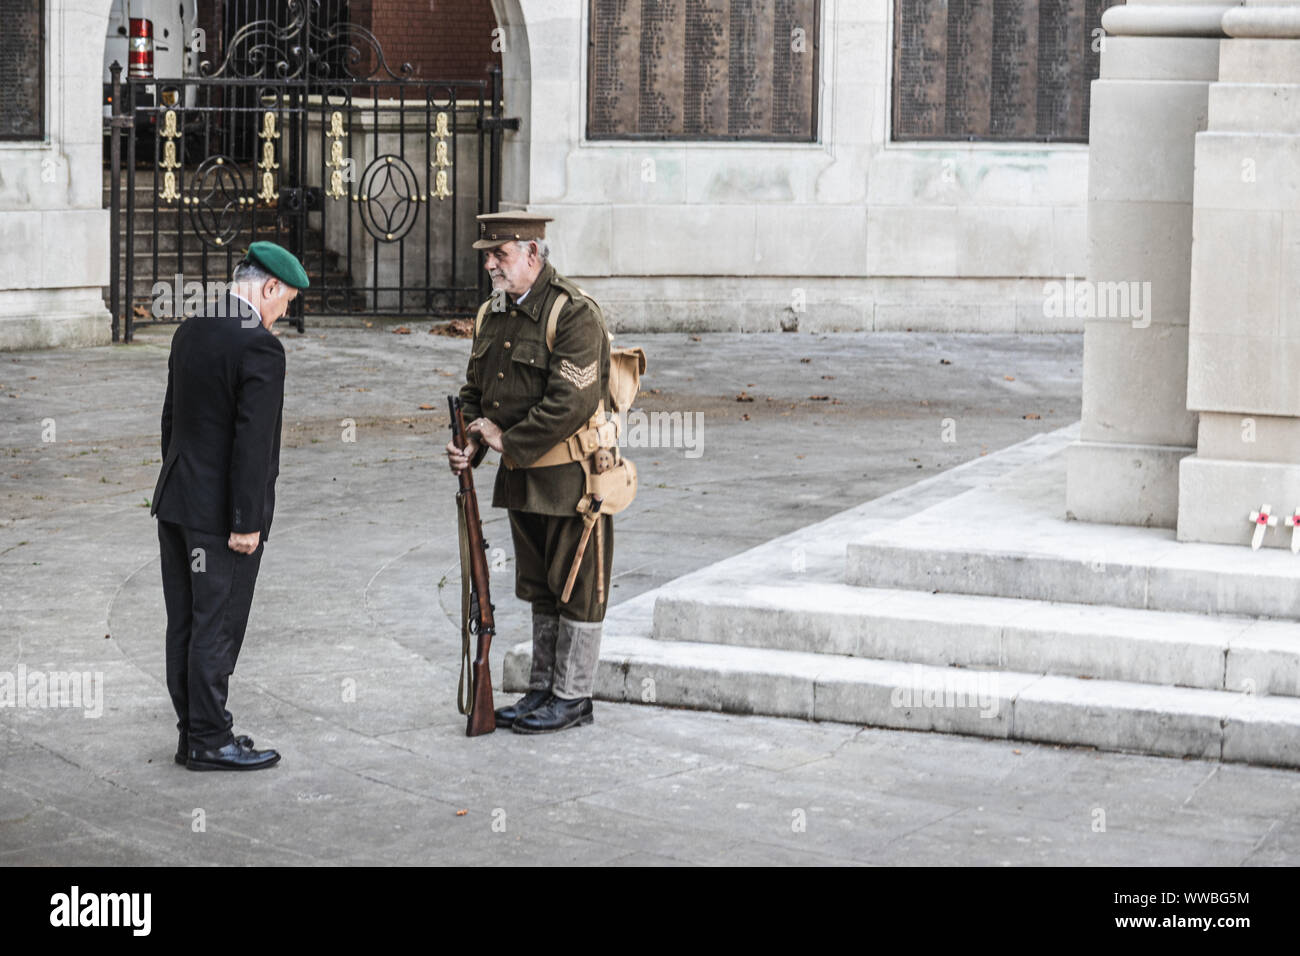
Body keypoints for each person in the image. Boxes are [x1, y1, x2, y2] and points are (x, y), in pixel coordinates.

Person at [446, 211, 614, 734]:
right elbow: (478, 386)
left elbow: (569, 402)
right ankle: (544, 688)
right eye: (487, 255)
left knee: (577, 585)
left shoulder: (573, 314)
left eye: (501, 255)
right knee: (540, 586)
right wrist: (472, 441)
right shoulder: (493, 313)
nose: (491, 265)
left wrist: (505, 440)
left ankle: (574, 695)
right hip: (522, 478)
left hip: (571, 479)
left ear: (533, 254)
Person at [152, 241, 307, 770]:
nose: (283, 315)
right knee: (217, 626)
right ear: (267, 287)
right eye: (285, 301)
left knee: (186, 624)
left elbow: (171, 422)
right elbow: (253, 443)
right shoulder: (259, 348)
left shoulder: (191, 329)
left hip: (176, 502)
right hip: (221, 518)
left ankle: (191, 733)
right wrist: (247, 521)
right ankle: (211, 738)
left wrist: (179, 486)